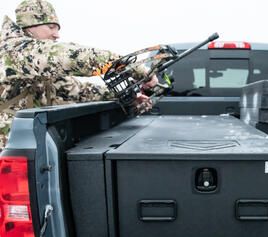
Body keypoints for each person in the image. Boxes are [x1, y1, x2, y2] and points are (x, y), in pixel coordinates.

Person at [0, 0, 157, 149]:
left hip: (24, 146)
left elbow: (77, 91)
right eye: (51, 27)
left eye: (57, 29)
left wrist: (126, 96)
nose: (57, 35)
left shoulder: (35, 66)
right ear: (29, 27)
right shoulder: (16, 52)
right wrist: (138, 70)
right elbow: (76, 58)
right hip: (7, 152)